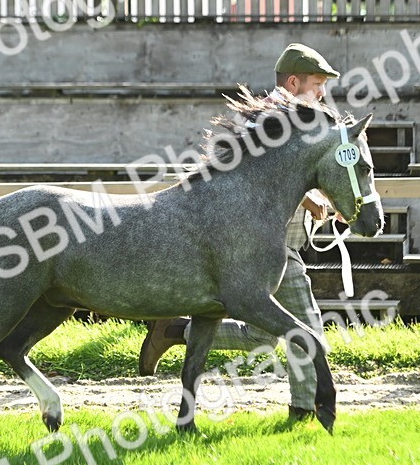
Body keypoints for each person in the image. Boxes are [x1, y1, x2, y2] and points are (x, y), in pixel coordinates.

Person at [138, 42, 340, 422]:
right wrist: (311, 202)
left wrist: (331, 199)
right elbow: (253, 184)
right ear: (293, 82)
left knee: (264, 334)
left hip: (276, 244)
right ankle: (305, 410)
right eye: (317, 83)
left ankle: (172, 331)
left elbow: (300, 175)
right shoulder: (267, 122)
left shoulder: (296, 123)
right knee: (306, 325)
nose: (323, 93)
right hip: (258, 247)